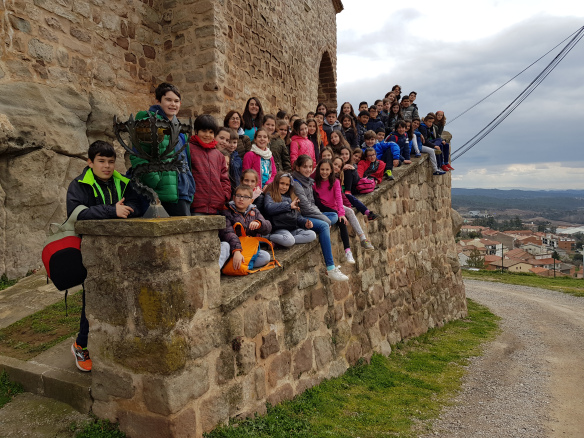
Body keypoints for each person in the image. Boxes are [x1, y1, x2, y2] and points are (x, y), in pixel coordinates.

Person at [67, 140, 142, 372]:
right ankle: (81, 344)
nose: (107, 166)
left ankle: (114, 340)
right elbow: (77, 213)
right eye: (101, 161)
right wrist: (112, 210)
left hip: (122, 251)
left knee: (120, 296)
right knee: (92, 297)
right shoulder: (79, 185)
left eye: (111, 161)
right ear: (90, 162)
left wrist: (126, 209)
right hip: (91, 252)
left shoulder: (123, 182)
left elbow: (137, 204)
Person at [130, 82, 196, 216]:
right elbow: (138, 155)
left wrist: (190, 186)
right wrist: (155, 182)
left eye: (176, 101)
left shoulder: (180, 130)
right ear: (158, 101)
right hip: (162, 193)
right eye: (168, 100)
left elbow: (185, 162)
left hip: (182, 192)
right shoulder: (148, 120)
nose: (173, 104)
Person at [292, 155, 348, 281]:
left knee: (334, 215)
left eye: (310, 167)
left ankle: (318, 223)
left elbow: (313, 205)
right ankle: (330, 268)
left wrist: (323, 217)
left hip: (310, 214)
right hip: (301, 217)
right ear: (298, 168)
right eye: (304, 167)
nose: (308, 169)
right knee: (324, 226)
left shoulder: (308, 181)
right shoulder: (297, 183)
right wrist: (325, 220)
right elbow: (306, 208)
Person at [313, 159, 374, 264]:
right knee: (341, 220)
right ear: (319, 170)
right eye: (322, 169)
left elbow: (338, 198)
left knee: (344, 218)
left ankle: (351, 248)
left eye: (327, 169)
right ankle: (349, 250)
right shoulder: (314, 184)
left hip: (335, 207)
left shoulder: (335, 182)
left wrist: (341, 213)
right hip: (324, 210)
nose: (324, 172)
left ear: (331, 170)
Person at [218, 184, 272, 270]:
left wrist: (259, 224)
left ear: (251, 200)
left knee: (265, 256)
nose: (241, 199)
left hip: (246, 247)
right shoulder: (227, 212)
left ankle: (238, 265)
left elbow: (268, 227)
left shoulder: (254, 212)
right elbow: (228, 233)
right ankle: (221, 268)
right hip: (232, 248)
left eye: (246, 197)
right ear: (234, 197)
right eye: (239, 196)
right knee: (225, 246)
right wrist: (237, 251)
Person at [261, 172, 317, 248]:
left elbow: (297, 216)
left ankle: (279, 243)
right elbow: (269, 208)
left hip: (292, 228)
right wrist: (288, 206)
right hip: (279, 228)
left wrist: (305, 223)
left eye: (287, 185)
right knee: (289, 241)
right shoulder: (270, 194)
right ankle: (268, 237)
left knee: (312, 234)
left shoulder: (291, 197)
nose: (284, 187)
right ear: (276, 183)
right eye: (282, 183)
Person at [189, 114, 231, 215]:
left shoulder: (218, 155)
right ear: (196, 131)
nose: (207, 135)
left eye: (211, 132)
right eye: (204, 131)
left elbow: (224, 179)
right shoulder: (189, 149)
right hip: (196, 205)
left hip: (216, 206)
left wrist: (224, 196)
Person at [332, 155, 377, 221]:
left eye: (339, 166)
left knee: (350, 197)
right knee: (349, 197)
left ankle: (367, 212)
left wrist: (353, 170)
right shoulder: (334, 177)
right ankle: (367, 212)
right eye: (335, 164)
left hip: (346, 192)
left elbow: (356, 180)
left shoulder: (348, 168)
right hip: (337, 197)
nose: (344, 156)